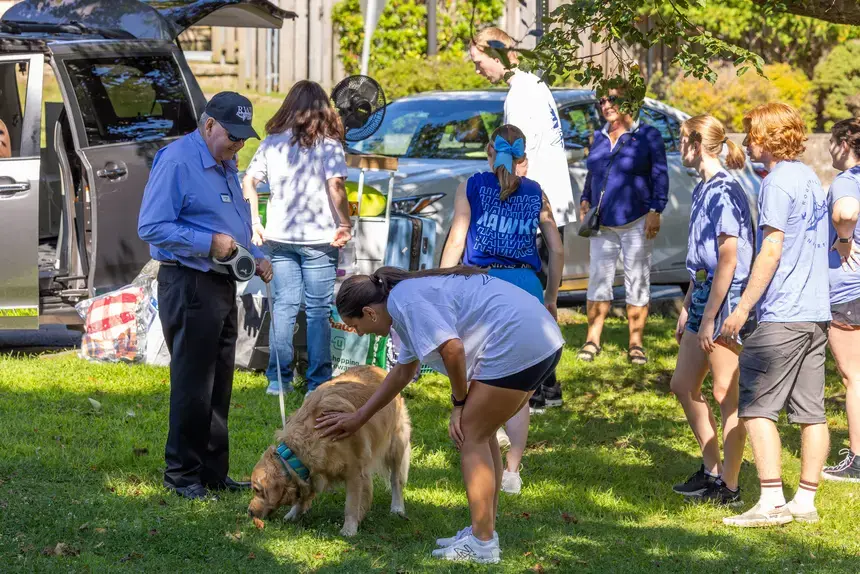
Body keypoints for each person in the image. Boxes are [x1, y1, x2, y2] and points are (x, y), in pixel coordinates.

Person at [315, 267, 564, 564]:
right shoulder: (402, 304)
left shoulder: (404, 302)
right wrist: (360, 417)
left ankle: (482, 544)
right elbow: (403, 372)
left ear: (369, 312)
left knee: (470, 433)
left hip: (520, 339)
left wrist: (459, 403)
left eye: (354, 325)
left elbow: (453, 350)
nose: (357, 333)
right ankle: (482, 531)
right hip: (540, 336)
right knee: (482, 434)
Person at [138, 92, 273, 501]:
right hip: (189, 281)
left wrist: (257, 254)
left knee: (219, 381)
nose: (239, 145)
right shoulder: (179, 160)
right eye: (232, 135)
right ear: (209, 124)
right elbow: (152, 227)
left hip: (221, 282)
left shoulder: (224, 162)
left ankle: (213, 472)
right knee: (193, 383)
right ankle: (182, 475)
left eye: (244, 138)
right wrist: (207, 243)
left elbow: (231, 221)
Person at [721, 102, 831, 527]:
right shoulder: (810, 177)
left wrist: (742, 308)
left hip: (782, 311)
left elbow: (772, 248)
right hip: (815, 313)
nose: (747, 143)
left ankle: (771, 502)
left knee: (755, 406)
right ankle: (806, 500)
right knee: (812, 412)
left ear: (768, 137)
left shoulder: (777, 182)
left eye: (751, 134)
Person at [440, 124, 564, 495]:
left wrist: (444, 285)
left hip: (485, 286)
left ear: (490, 152)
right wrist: (552, 297)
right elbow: (556, 250)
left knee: (482, 372)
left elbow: (458, 237)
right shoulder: (536, 193)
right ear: (523, 158)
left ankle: (482, 443)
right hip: (527, 285)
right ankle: (512, 471)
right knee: (519, 384)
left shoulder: (473, 185)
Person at [468, 27, 573, 410]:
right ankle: (546, 388)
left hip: (532, 205)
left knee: (528, 302)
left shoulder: (519, 95)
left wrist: (502, 199)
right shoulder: (534, 84)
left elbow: (517, 160)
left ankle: (538, 389)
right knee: (534, 299)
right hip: (546, 200)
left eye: (478, 60)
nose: (477, 68)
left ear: (497, 53)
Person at [242, 80, 352, 398]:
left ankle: (278, 380)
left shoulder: (273, 142)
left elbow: (248, 181)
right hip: (321, 238)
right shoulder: (329, 143)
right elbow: (336, 187)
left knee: (284, 307)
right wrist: (345, 222)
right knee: (318, 310)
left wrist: (255, 222)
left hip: (278, 235)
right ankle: (318, 383)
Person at [669, 115, 754, 505]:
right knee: (684, 386)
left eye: (681, 139)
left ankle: (730, 487)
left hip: (726, 302)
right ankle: (711, 470)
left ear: (697, 141)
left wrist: (708, 319)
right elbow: (702, 261)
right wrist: (689, 304)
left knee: (725, 393)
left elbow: (729, 260)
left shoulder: (724, 190)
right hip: (704, 297)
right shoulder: (704, 187)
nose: (676, 145)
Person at [578, 86, 669, 365]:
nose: (606, 105)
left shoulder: (648, 135)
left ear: (629, 101)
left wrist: (656, 209)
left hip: (637, 219)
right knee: (598, 280)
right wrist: (585, 199)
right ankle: (592, 340)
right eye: (602, 101)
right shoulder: (599, 136)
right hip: (602, 222)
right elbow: (593, 174)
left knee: (638, 281)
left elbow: (660, 175)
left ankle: (636, 343)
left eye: (612, 99)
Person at [822, 117, 860, 483]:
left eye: (832, 143)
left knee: (854, 377)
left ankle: (859, 459)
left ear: (843, 145)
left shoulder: (848, 180)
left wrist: (844, 237)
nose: (828, 150)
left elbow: (845, 213)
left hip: (849, 290)